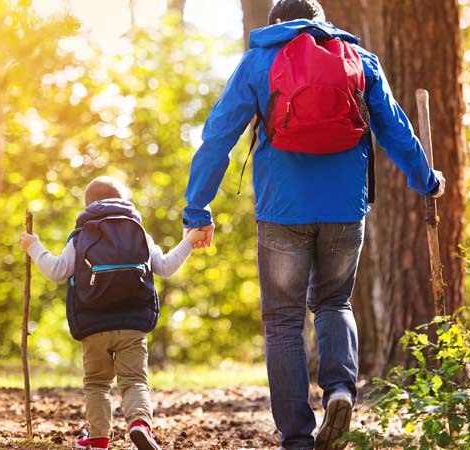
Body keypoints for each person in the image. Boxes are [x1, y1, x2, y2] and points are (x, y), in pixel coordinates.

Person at [182, 1, 446, 449]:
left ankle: (298, 437)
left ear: (274, 26)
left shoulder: (259, 60)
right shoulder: (359, 59)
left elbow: (218, 136)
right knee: (334, 302)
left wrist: (198, 209)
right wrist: (427, 181)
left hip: (282, 210)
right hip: (345, 207)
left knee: (284, 321)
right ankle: (340, 391)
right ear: (321, 22)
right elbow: (396, 129)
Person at [21, 176, 205, 450]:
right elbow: (165, 267)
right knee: (134, 381)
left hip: (93, 323)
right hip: (133, 324)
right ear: (124, 201)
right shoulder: (140, 233)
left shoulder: (81, 236)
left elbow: (57, 271)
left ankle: (97, 437)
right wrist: (189, 241)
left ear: (89, 205)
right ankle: (140, 423)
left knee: (97, 384)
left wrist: (34, 246)